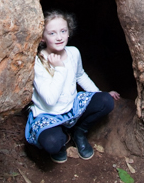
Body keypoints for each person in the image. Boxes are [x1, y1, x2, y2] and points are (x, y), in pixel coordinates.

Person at [25, 10, 120, 163]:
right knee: (52, 143)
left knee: (106, 101)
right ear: (42, 38)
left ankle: (79, 132)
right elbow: (50, 100)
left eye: (63, 31)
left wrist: (99, 93)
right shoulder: (38, 62)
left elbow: (80, 76)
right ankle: (63, 137)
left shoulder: (73, 52)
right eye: (52, 33)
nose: (59, 37)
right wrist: (60, 68)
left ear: (69, 32)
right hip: (49, 114)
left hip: (71, 107)